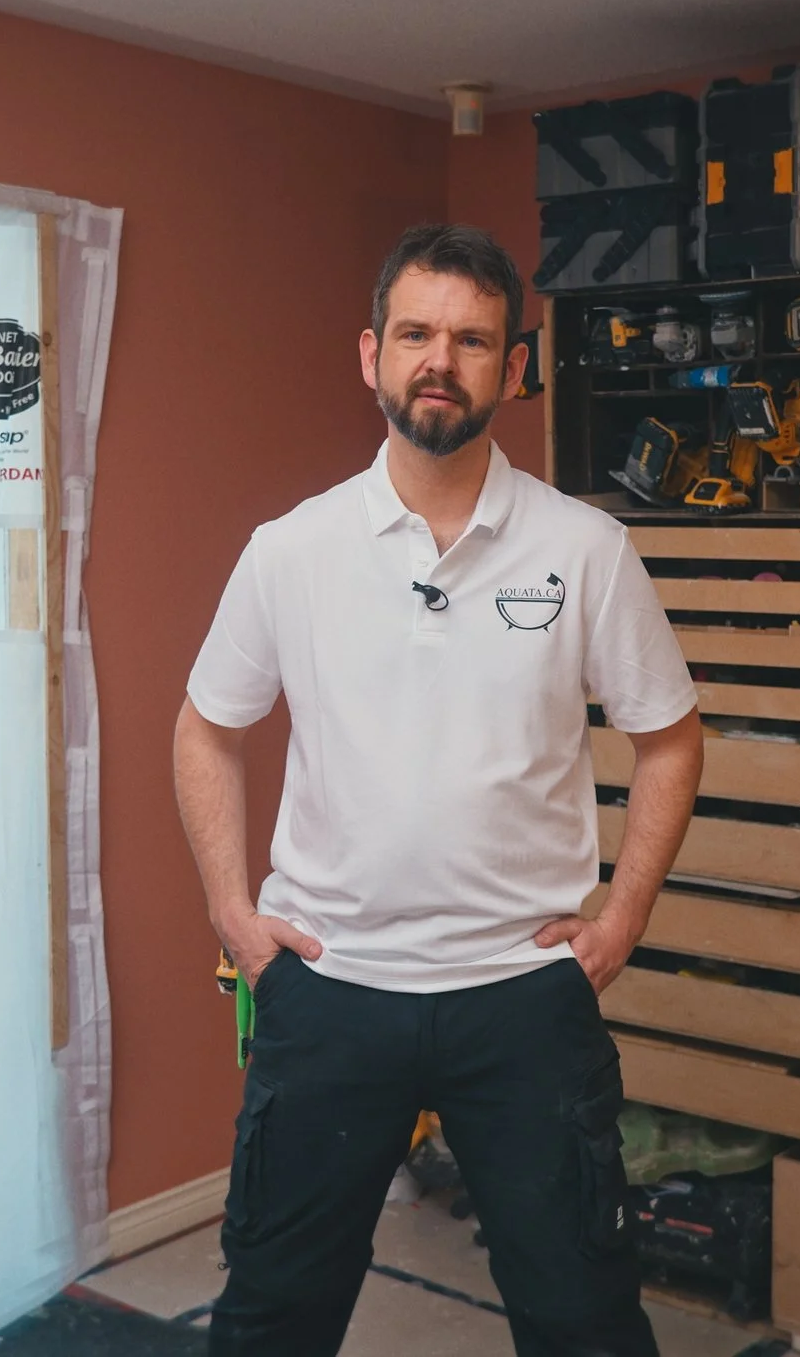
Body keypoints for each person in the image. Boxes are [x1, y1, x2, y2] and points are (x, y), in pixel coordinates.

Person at [173, 223, 705, 1357]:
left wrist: (623, 914)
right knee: (272, 1314)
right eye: (415, 333)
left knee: (586, 1323)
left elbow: (669, 736)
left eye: (471, 340)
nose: (438, 360)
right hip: (329, 988)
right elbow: (206, 727)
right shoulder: (291, 549)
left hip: (522, 998)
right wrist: (231, 905)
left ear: (513, 367)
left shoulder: (584, 548)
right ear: (369, 354)